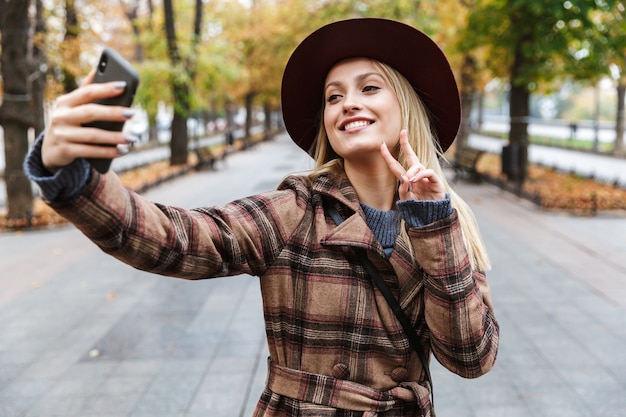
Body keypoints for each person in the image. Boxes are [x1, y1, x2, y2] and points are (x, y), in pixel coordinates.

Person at [25, 18, 499, 417]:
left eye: (368, 88)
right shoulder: (296, 210)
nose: (346, 103)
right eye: (333, 97)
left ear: (406, 106)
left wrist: (433, 221)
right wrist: (74, 178)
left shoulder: (449, 223)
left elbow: (470, 358)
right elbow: (178, 240)